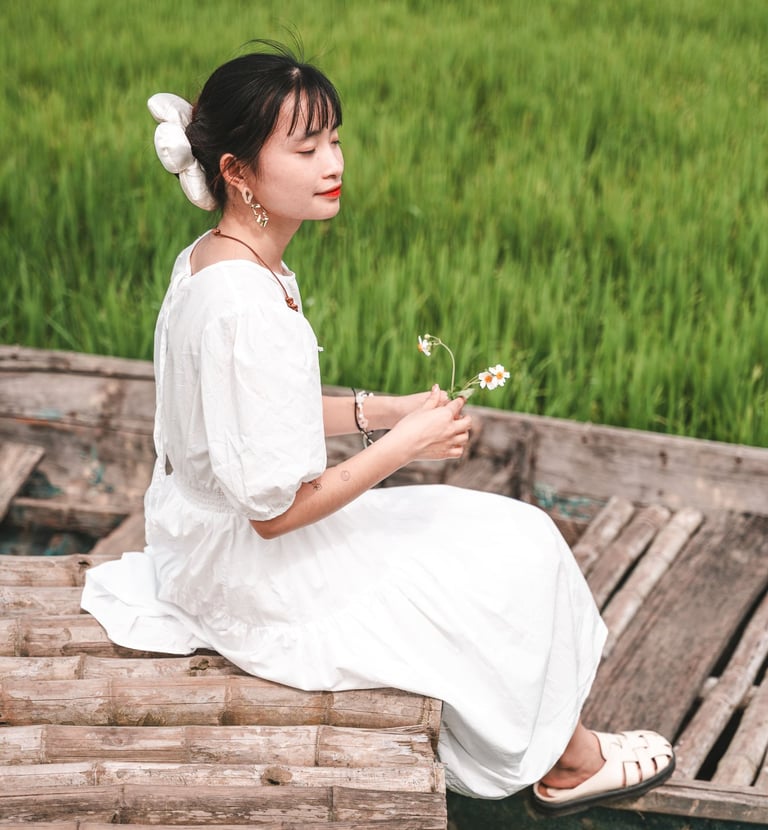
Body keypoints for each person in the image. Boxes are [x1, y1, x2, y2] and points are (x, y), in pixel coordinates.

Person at [81, 42, 674, 813]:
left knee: (513, 536)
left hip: (203, 536)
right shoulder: (243, 306)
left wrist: (381, 412)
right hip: (249, 573)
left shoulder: (218, 259)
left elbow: (247, 421)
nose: (333, 161)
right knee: (505, 565)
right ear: (235, 170)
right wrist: (403, 447)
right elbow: (275, 513)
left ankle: (564, 749)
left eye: (334, 138)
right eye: (305, 147)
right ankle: (571, 761)